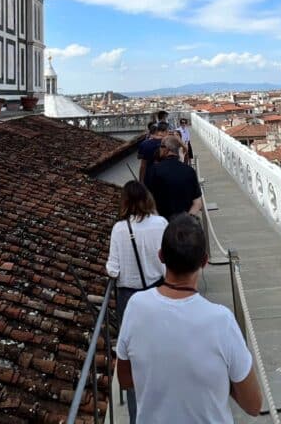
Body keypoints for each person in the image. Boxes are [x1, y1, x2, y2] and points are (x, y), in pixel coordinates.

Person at [117, 214, 262, 424]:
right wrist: (216, 378)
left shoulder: (136, 306)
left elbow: (125, 378)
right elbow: (253, 405)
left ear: (160, 256)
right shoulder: (221, 320)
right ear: (204, 261)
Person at [106, 181, 167, 424]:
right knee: (160, 350)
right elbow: (166, 262)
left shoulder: (119, 229)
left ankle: (137, 416)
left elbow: (113, 268)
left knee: (133, 357)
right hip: (156, 291)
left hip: (128, 298)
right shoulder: (161, 224)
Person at [144, 135, 202, 219]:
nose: (159, 149)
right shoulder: (189, 170)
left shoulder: (153, 170)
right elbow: (197, 202)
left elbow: (147, 201)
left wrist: (160, 221)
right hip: (185, 222)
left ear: (166, 149)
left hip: (163, 222)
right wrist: (188, 219)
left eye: (160, 146)